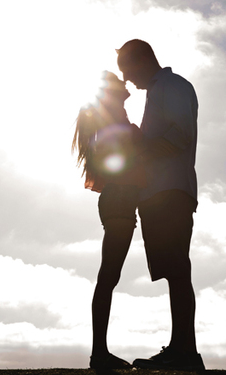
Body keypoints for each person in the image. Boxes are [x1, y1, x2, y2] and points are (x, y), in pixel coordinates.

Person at [116, 39, 204, 371]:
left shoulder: (172, 85)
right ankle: (182, 349)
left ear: (141, 60)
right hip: (159, 192)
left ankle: (185, 352)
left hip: (171, 191)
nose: (125, 79)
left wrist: (141, 147)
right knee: (173, 270)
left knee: (177, 269)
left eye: (126, 69)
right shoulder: (160, 89)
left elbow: (178, 135)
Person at [73, 71, 145, 370]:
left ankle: (99, 352)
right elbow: (122, 156)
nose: (127, 84)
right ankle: (98, 354)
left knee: (109, 276)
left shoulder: (113, 117)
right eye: (121, 83)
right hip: (119, 200)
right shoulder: (113, 119)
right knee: (108, 276)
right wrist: (140, 138)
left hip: (118, 200)